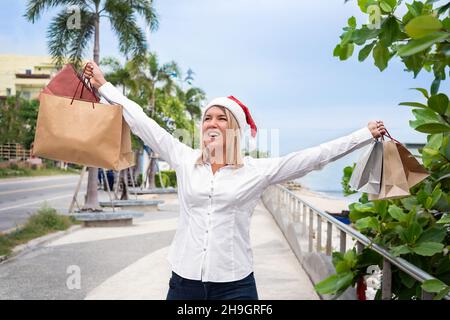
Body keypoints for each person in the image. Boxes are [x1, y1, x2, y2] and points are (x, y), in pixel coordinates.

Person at [84, 61, 386, 300]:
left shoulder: (256, 172)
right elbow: (142, 122)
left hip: (235, 285)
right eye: (207, 118)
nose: (212, 123)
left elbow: (314, 157)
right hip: (184, 283)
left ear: (235, 130)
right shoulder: (184, 159)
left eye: (221, 118)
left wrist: (362, 136)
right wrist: (105, 86)